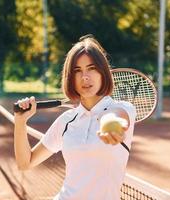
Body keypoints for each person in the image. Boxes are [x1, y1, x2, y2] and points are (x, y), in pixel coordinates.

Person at [14, 34, 136, 200]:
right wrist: (20, 122)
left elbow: (114, 117)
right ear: (70, 78)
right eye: (77, 71)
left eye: (92, 68)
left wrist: (110, 126)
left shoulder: (122, 108)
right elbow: (25, 163)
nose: (85, 77)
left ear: (103, 73)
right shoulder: (66, 121)